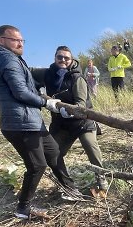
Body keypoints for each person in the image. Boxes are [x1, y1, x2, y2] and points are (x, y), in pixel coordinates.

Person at [0, 25, 81, 219]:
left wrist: (41, 92)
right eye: (15, 40)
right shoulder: (7, 59)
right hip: (20, 124)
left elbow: (27, 84)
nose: (20, 43)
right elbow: (20, 92)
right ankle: (23, 208)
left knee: (54, 153)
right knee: (37, 166)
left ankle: (69, 188)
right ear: (1, 41)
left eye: (22, 40)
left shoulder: (13, 59)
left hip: (32, 122)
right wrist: (46, 102)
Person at [31, 46, 107, 191]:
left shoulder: (77, 78)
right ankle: (66, 184)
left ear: (71, 60)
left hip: (82, 121)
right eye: (60, 57)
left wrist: (68, 110)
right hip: (61, 124)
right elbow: (26, 70)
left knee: (91, 148)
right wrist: (37, 90)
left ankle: (101, 179)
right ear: (55, 58)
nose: (63, 60)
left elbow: (81, 104)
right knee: (52, 153)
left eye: (66, 58)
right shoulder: (48, 73)